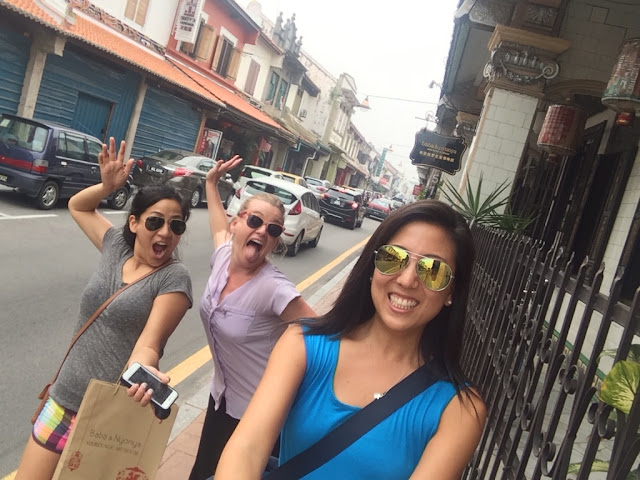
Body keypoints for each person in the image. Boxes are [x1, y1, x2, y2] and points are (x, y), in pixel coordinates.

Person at [215, 199, 487, 479]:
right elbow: (247, 449)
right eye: (393, 257)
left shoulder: (460, 410)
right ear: (373, 266)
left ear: (451, 291)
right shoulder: (302, 345)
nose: (407, 280)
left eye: (433, 270)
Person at [16, 138, 193, 480]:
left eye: (176, 225)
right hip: (63, 397)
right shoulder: (114, 246)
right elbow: (79, 207)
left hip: (108, 417)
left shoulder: (173, 277)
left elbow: (150, 343)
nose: (166, 232)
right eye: (155, 222)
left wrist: (144, 368)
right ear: (134, 223)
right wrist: (106, 187)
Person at [189, 155, 316, 480]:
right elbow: (218, 226)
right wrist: (210, 183)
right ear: (237, 223)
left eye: (273, 229)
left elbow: (323, 333)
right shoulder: (222, 257)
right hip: (221, 398)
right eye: (255, 221)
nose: (262, 231)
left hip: (255, 417)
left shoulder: (274, 288)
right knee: (202, 473)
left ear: (275, 241)